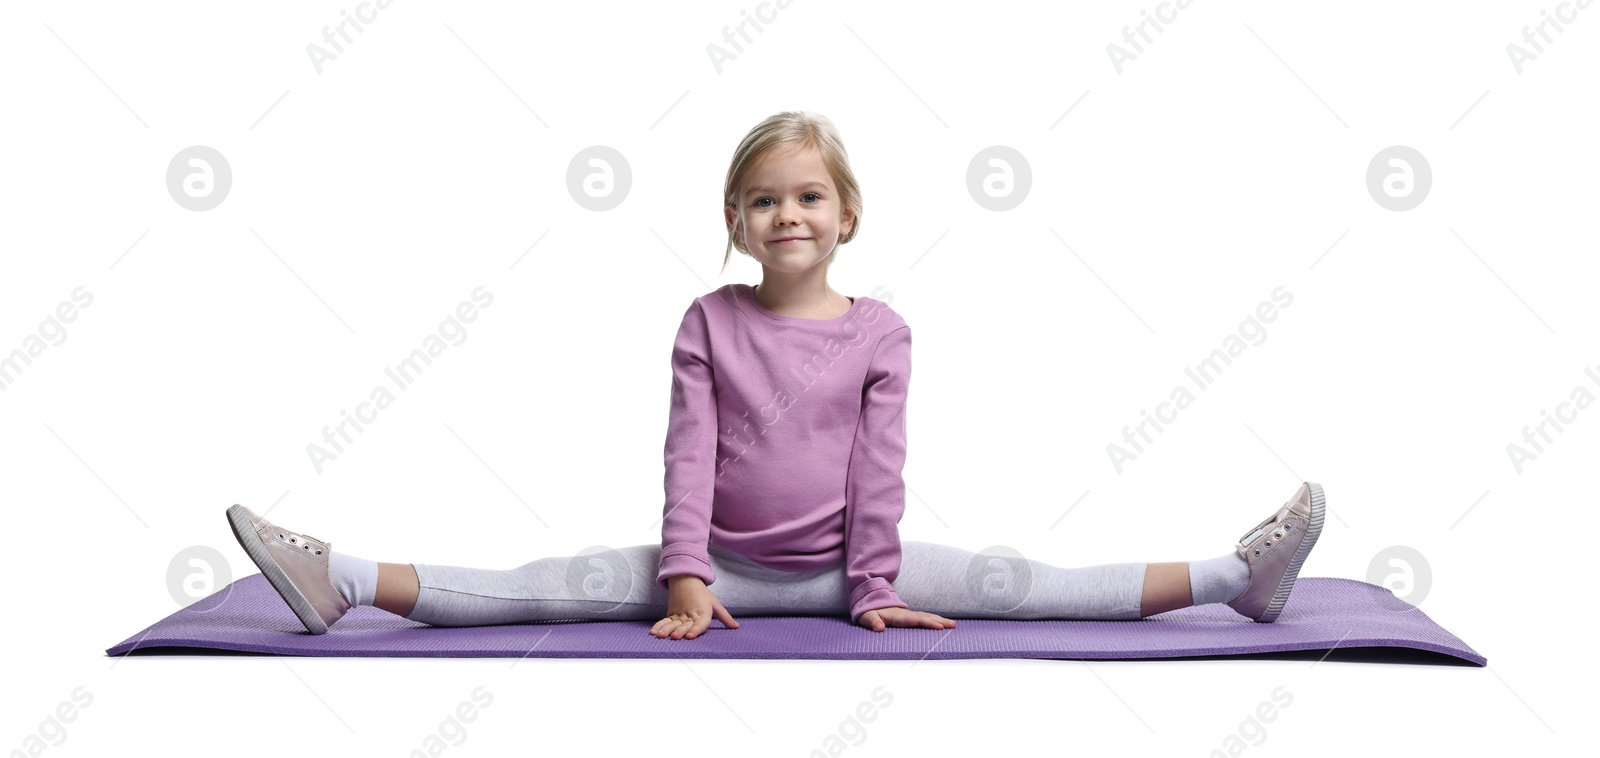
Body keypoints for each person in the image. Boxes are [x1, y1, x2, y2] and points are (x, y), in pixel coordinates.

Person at [225, 110, 1324, 640]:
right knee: (544, 580)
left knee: (1024, 580)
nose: (786, 213)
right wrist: (689, 573)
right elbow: (688, 452)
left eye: (806, 195)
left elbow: (878, 468)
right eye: (762, 199)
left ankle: (1240, 574)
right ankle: (345, 577)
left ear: (846, 215)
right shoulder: (707, 319)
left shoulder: (881, 331)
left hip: (850, 564)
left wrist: (875, 584)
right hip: (727, 567)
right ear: (736, 223)